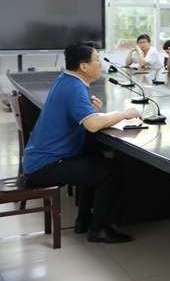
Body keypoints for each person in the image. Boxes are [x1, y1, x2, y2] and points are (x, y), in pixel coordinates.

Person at [23, 42, 141, 243]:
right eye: (97, 60)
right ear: (84, 66)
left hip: (41, 159)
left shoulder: (66, 80)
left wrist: (90, 110)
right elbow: (93, 125)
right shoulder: (75, 88)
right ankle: (98, 229)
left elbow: (81, 117)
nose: (100, 64)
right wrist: (124, 114)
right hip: (45, 165)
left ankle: (83, 220)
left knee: (92, 155)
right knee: (110, 171)